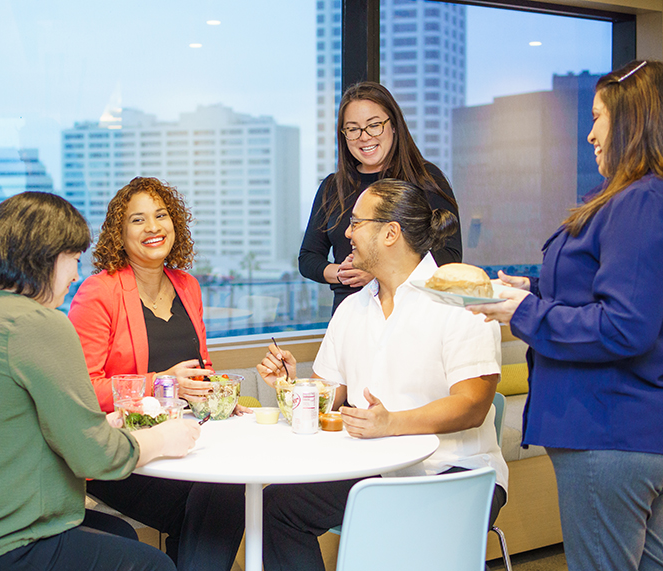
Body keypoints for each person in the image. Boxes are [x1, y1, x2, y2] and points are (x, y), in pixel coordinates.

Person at [0, 192, 199, 571]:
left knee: (121, 536)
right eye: (73, 259)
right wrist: (162, 439)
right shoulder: (37, 323)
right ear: (42, 256)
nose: (77, 274)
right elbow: (94, 457)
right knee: (154, 566)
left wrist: (100, 426)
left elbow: (15, 418)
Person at [468, 60, 663, 571]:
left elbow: (625, 325)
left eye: (598, 117)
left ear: (631, 122)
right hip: (629, 432)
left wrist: (524, 309)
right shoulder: (637, 200)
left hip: (607, 431)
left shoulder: (638, 202)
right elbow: (625, 292)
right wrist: (530, 287)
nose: (590, 133)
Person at [257, 179, 507, 571]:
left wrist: (390, 423)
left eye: (356, 222)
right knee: (277, 507)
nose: (347, 232)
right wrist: (290, 385)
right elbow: (330, 395)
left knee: (386, 530)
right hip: (375, 473)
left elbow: (473, 405)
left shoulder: (462, 298)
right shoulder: (351, 309)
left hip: (454, 473)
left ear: (391, 233)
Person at [68, 177, 246, 571]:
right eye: (138, 220)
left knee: (225, 493)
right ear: (119, 233)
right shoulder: (99, 292)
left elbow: (201, 368)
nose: (153, 227)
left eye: (161, 215)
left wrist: (220, 396)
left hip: (185, 442)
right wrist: (160, 381)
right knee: (219, 499)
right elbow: (82, 391)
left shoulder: (188, 286)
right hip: (126, 456)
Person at [299, 81, 462, 313]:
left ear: (393, 126)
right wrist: (341, 273)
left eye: (374, 125)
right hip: (349, 313)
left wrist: (377, 272)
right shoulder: (332, 187)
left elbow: (450, 256)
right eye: (353, 129)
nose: (364, 137)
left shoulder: (425, 179)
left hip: (413, 312)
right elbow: (308, 258)